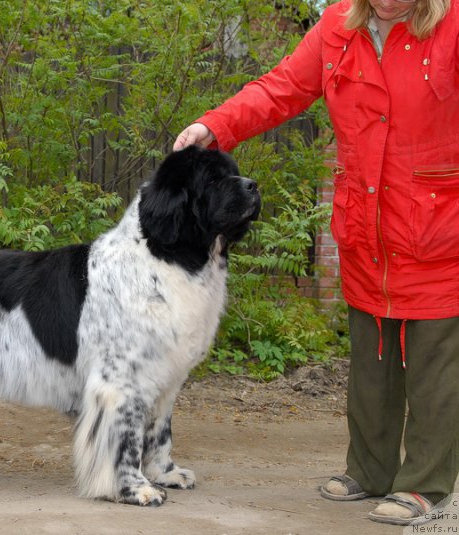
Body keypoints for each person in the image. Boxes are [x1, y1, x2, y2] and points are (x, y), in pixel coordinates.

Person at [174, 0, 459, 526]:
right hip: (366, 227)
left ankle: (427, 484)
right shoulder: (336, 28)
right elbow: (278, 89)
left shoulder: (452, 26)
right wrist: (212, 127)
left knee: (435, 368)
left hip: (438, 227)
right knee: (371, 363)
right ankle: (370, 471)